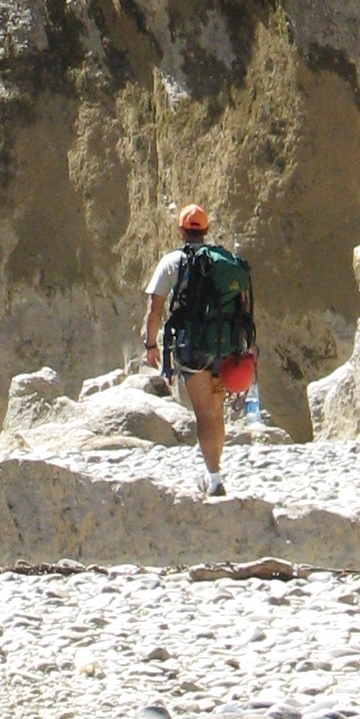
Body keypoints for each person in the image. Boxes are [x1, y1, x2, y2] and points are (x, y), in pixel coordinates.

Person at [144, 203, 233, 499]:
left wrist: (151, 344)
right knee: (216, 412)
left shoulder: (171, 262)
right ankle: (214, 472)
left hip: (191, 347)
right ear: (205, 231)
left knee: (204, 414)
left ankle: (214, 478)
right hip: (224, 345)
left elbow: (154, 308)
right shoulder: (223, 260)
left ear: (181, 231)